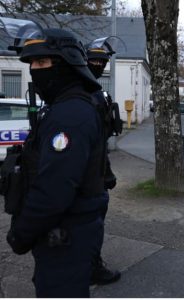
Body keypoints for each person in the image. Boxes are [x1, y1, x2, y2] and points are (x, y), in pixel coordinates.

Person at [5, 25, 107, 297]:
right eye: (32, 63)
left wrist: (21, 233)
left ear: (64, 64)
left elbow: (55, 188)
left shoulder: (70, 115)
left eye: (42, 61)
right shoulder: (64, 107)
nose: (35, 70)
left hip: (65, 235)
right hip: (64, 233)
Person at [86, 38, 122, 285]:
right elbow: (94, 142)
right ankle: (92, 267)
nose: (99, 64)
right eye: (94, 60)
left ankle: (87, 263)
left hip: (96, 167)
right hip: (89, 173)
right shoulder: (86, 93)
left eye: (103, 61)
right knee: (92, 221)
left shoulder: (95, 91)